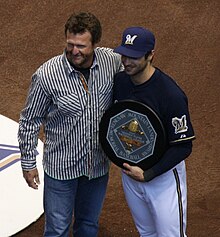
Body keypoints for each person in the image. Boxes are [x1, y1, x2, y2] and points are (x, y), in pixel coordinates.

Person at [17, 12, 122, 237]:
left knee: (88, 226)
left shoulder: (111, 61)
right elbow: (30, 120)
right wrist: (28, 163)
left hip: (97, 166)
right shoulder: (47, 75)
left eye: (81, 46)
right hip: (61, 169)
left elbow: (134, 71)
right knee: (57, 230)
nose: (75, 51)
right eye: (70, 44)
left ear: (95, 44)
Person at [113, 27, 195, 237]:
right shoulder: (120, 82)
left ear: (150, 55)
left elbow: (184, 146)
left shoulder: (170, 95)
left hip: (163, 177)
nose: (127, 61)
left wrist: (149, 174)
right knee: (146, 233)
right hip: (131, 174)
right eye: (125, 55)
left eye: (134, 57)